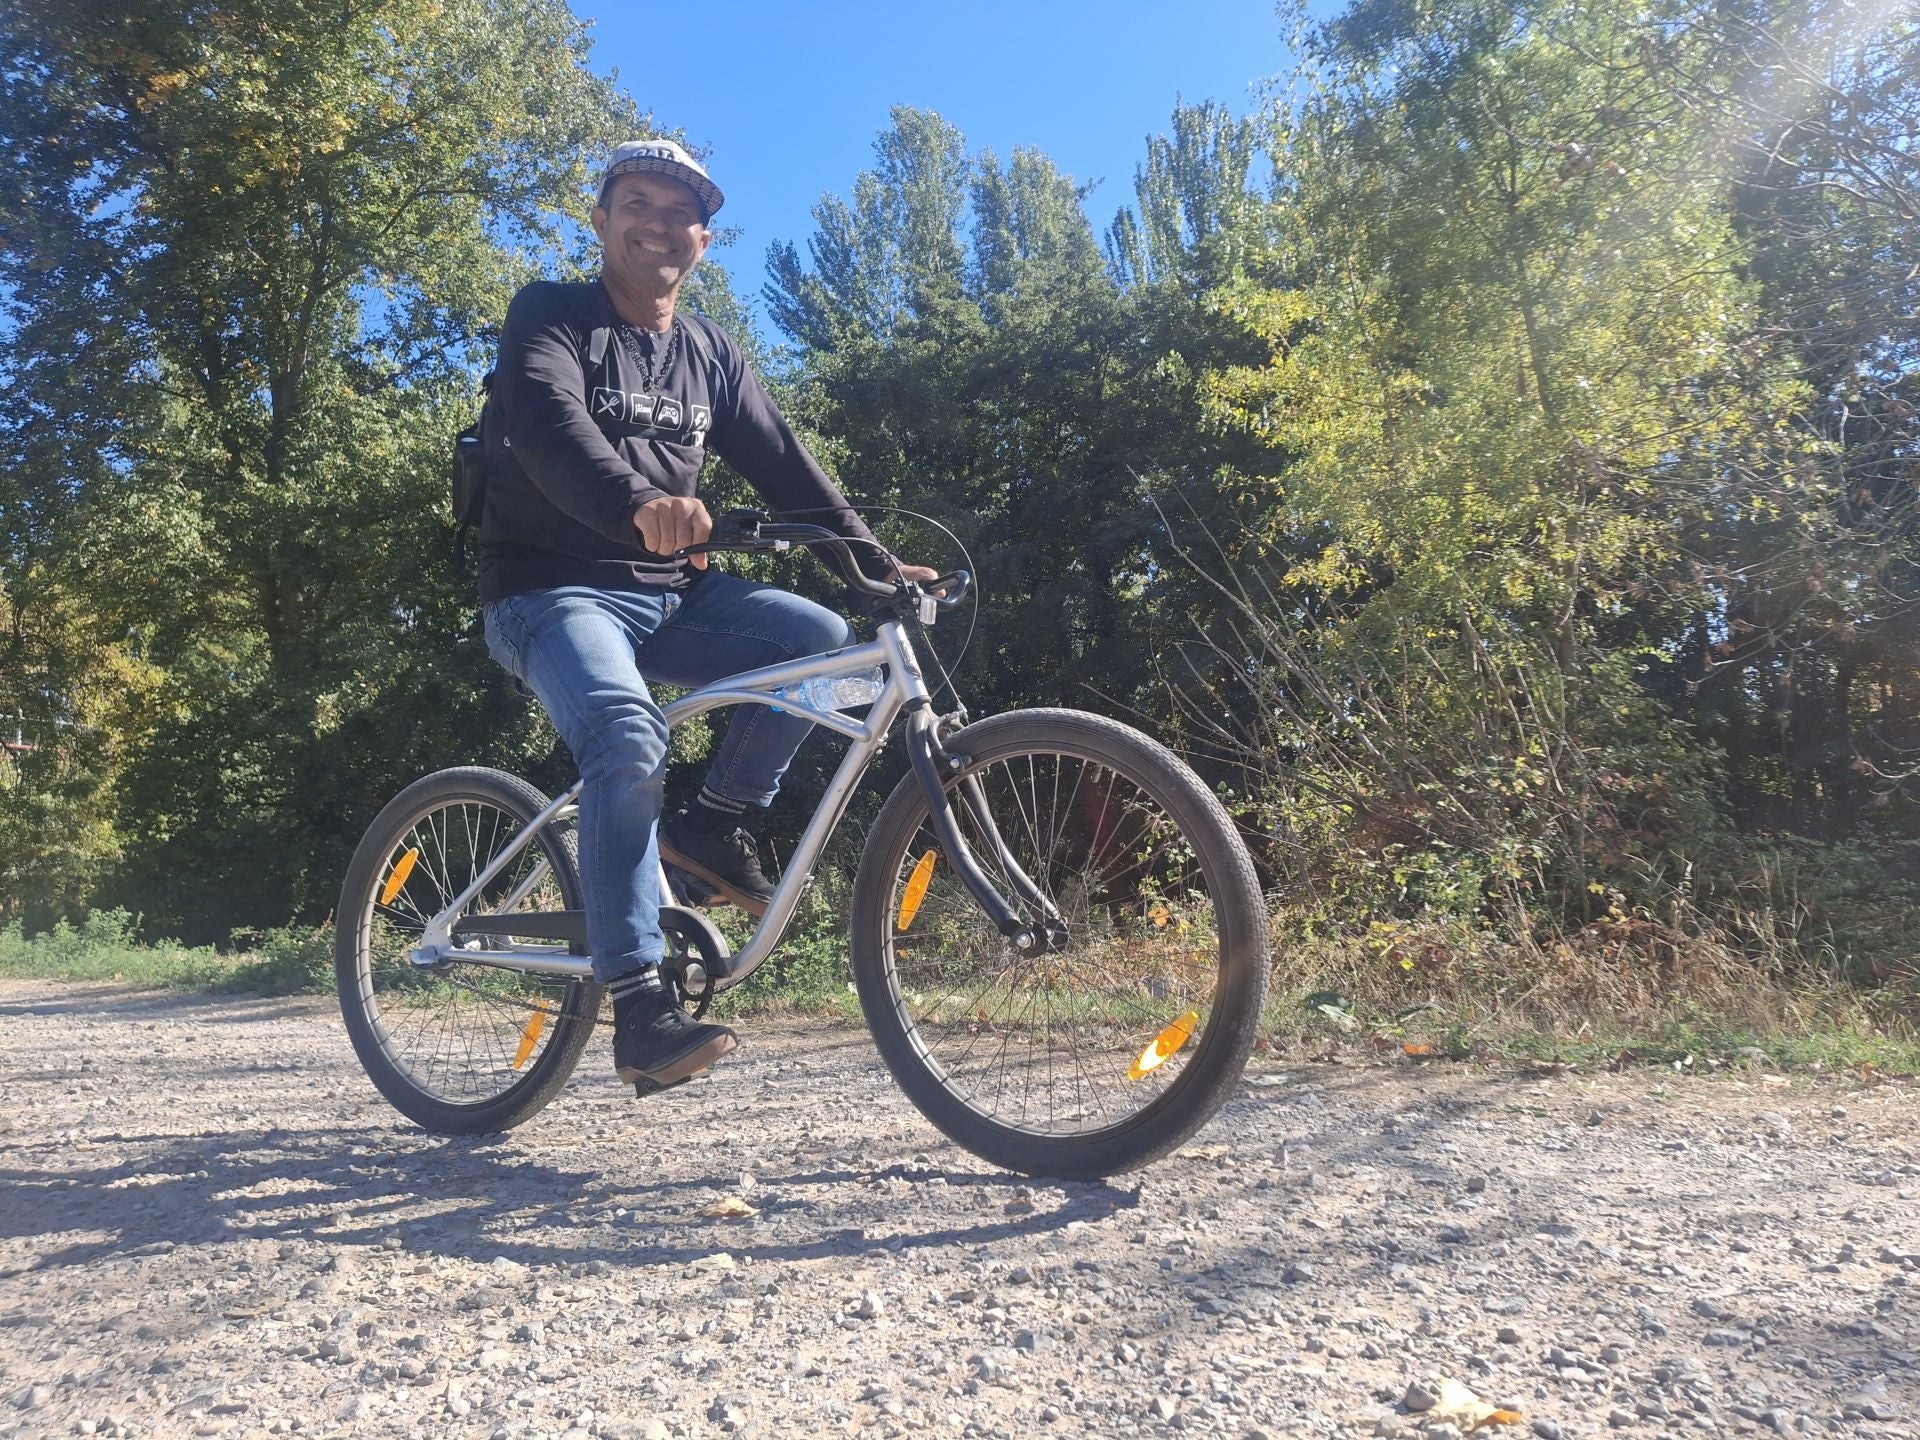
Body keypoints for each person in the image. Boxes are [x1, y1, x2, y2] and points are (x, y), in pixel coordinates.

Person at [475, 138, 939, 1093]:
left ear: (704, 240)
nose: (656, 223)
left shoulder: (710, 354)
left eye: (678, 211)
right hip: (550, 586)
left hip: (672, 596)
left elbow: (786, 466)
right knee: (624, 732)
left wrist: (874, 566)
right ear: (599, 220)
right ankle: (641, 1007)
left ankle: (717, 822)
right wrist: (632, 503)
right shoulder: (552, 315)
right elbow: (545, 425)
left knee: (823, 648)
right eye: (634, 201)